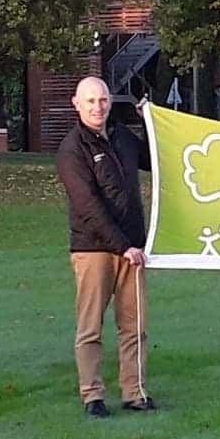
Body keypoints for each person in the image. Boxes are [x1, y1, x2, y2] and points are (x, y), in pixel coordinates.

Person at [56, 76, 150, 418]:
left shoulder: (122, 136)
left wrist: (148, 123)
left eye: (104, 100)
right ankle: (92, 396)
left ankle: (135, 392)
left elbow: (152, 161)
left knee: (134, 325)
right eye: (91, 101)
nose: (98, 107)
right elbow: (88, 207)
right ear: (77, 104)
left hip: (132, 250)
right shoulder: (72, 150)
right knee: (90, 327)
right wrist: (121, 246)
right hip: (94, 249)